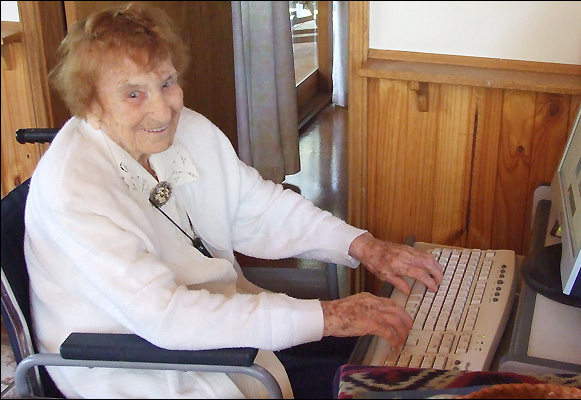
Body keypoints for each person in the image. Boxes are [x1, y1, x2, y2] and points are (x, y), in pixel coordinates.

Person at [24, 2, 443, 398]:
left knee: (382, 359)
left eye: (167, 83)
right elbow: (169, 317)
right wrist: (329, 316)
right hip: (140, 365)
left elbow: (259, 208)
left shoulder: (185, 130)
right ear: (91, 105)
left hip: (219, 330)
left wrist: (363, 246)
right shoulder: (73, 190)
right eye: (134, 94)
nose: (164, 111)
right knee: (368, 379)